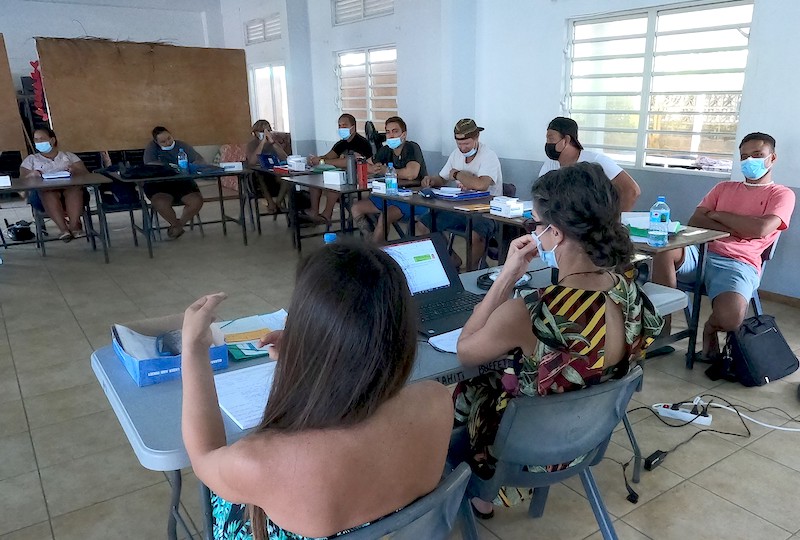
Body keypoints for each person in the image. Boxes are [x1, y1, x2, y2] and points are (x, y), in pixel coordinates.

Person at [180, 241, 453, 540]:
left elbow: (204, 456)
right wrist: (310, 352)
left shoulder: (262, 462)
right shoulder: (437, 400)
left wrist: (193, 349)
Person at [452, 162, 663, 517]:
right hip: (583, 442)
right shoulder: (630, 294)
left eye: (535, 224)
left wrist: (507, 276)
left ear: (556, 233)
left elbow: (465, 351)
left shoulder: (533, 311)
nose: (534, 233)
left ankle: (479, 489)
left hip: (523, 456)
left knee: (468, 389)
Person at [652, 132, 795, 361]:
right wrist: (742, 228)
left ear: (773, 158)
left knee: (730, 320)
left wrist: (718, 215)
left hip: (738, 263)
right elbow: (695, 220)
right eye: (744, 157)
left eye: (757, 155)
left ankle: (709, 330)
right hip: (700, 252)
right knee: (665, 250)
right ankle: (662, 332)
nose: (750, 161)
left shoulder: (781, 194)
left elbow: (761, 229)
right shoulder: (723, 188)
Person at [415, 118, 503, 270]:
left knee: (476, 236)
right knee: (423, 225)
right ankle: (451, 259)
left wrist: (457, 174)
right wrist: (431, 180)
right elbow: (442, 178)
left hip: (486, 211)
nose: (462, 148)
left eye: (466, 144)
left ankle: (470, 271)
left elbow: (481, 185)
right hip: (460, 208)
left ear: (477, 138)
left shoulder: (488, 156)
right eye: (459, 144)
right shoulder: (456, 154)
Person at [351, 116, 427, 243]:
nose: (391, 135)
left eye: (395, 131)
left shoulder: (412, 148)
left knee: (385, 216)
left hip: (411, 198)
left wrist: (385, 170)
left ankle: (375, 250)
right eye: (388, 132)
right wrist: (373, 168)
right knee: (356, 208)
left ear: (404, 134)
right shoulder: (386, 150)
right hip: (390, 195)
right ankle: (371, 240)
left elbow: (411, 174)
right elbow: (366, 163)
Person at [538, 117, 641, 212]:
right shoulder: (550, 164)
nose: (547, 144)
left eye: (551, 139)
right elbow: (540, 194)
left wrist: (616, 220)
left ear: (566, 140)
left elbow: (632, 190)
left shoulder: (596, 161)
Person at [19, 127, 90, 242]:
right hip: (42, 196)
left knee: (74, 190)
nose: (39, 142)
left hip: (71, 191)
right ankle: (63, 229)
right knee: (48, 192)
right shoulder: (31, 160)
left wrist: (75, 170)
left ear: (52, 140)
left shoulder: (68, 156)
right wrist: (32, 175)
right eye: (36, 140)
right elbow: (21, 183)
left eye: (42, 139)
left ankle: (73, 226)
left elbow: (86, 175)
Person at [306, 114, 374, 223]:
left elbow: (349, 162)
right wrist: (315, 159)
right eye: (339, 126)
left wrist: (323, 162)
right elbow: (328, 156)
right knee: (315, 181)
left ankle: (327, 215)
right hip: (344, 175)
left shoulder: (362, 143)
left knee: (336, 184)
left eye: (344, 126)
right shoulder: (341, 144)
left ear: (353, 127)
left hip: (361, 178)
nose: (341, 128)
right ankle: (314, 213)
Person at [143, 126, 205, 239]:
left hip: (182, 182)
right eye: (163, 142)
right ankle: (176, 225)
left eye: (169, 138)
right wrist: (168, 166)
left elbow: (199, 160)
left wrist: (195, 166)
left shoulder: (182, 145)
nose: (168, 143)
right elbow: (149, 164)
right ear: (156, 142)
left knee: (196, 200)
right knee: (160, 202)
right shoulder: (151, 149)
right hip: (159, 184)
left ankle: (178, 226)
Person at [247, 119, 289, 214]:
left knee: (287, 178)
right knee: (260, 176)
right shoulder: (251, 145)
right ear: (255, 132)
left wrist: (273, 143)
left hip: (274, 175)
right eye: (262, 131)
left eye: (268, 131)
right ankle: (270, 203)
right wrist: (262, 143)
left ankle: (277, 204)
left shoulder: (273, 144)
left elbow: (285, 158)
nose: (265, 133)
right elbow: (252, 162)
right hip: (258, 178)